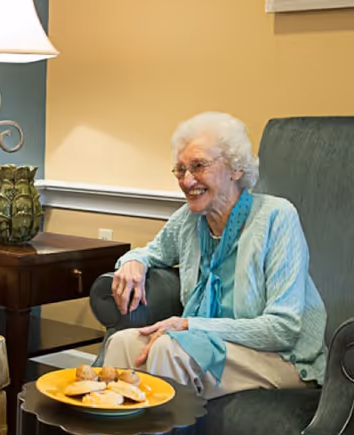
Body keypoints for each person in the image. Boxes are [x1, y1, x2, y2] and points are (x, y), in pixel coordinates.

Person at [104, 111, 326, 398]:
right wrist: (134, 261)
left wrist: (188, 324)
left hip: (278, 356)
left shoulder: (276, 217)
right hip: (206, 343)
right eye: (180, 170)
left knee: (170, 349)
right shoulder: (189, 220)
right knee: (123, 342)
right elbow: (152, 252)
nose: (186, 181)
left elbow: (283, 329)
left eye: (198, 166)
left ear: (236, 169)